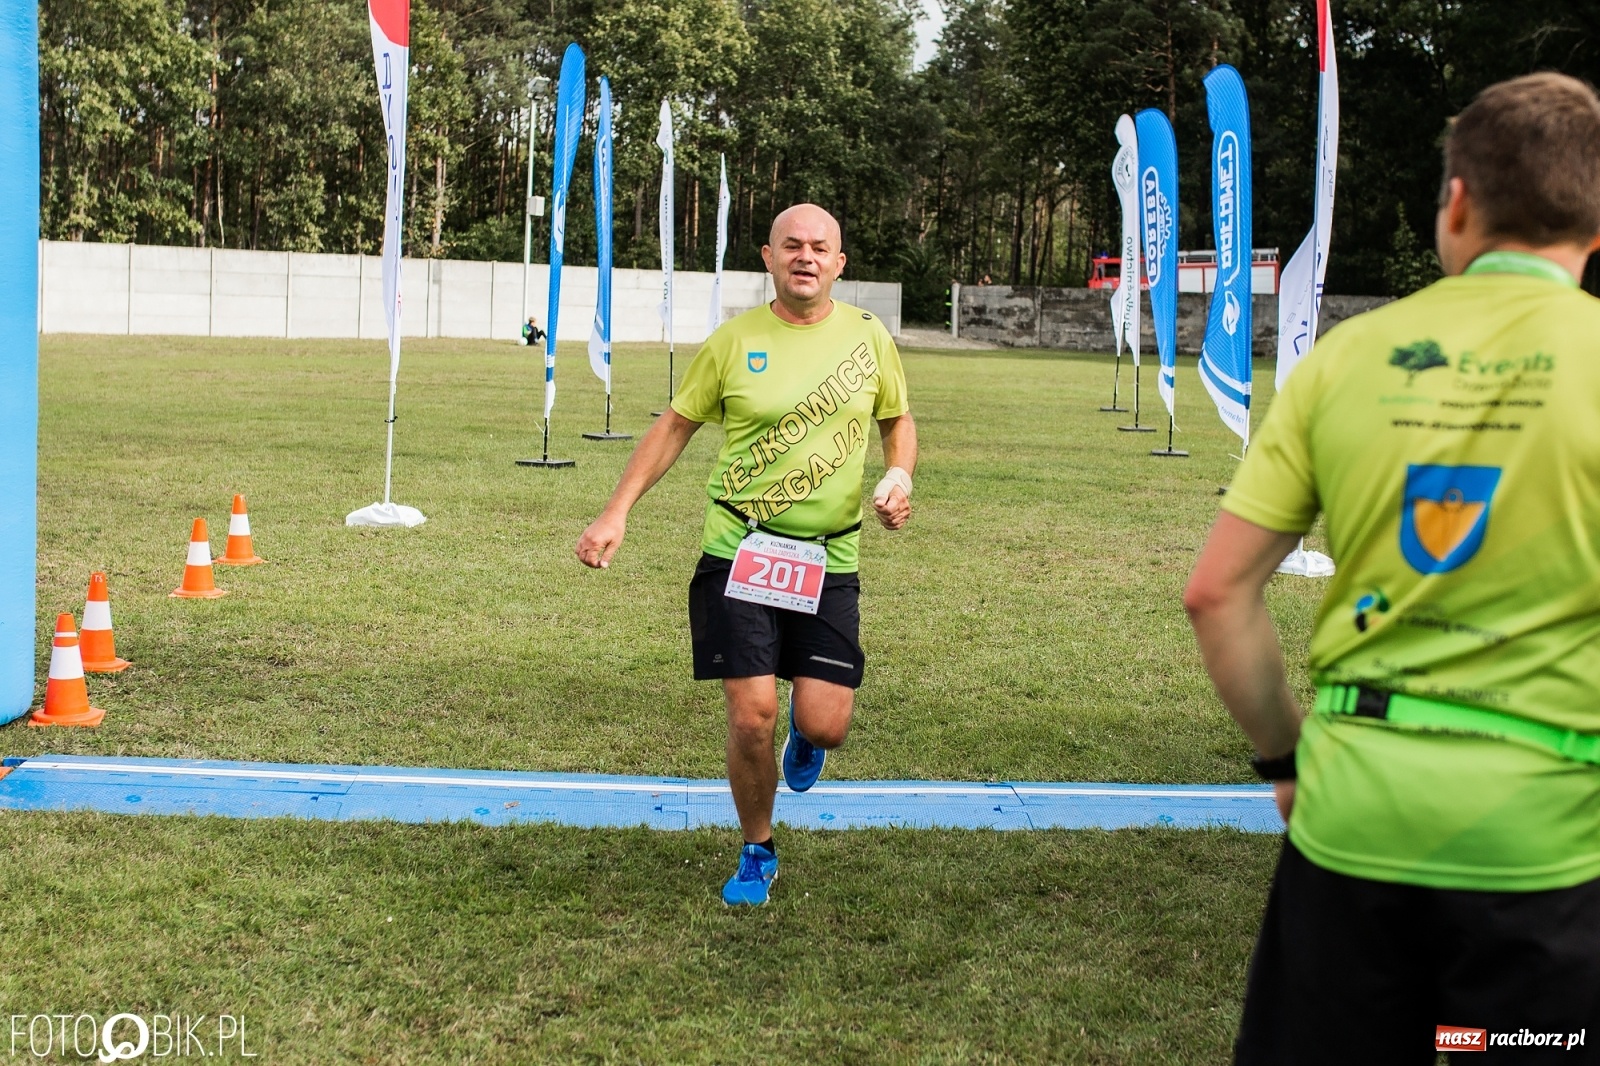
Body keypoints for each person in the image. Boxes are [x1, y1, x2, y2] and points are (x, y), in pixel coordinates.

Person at [1185, 73, 1600, 1063]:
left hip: (1352, 817)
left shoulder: (1346, 356)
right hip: (1541, 843)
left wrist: (1284, 759)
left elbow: (1215, 591)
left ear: (1456, 202)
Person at [575, 203, 917, 907]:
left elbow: (897, 420)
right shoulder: (734, 342)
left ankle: (808, 731)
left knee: (826, 723)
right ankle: (758, 847)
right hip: (739, 551)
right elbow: (674, 427)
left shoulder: (868, 337)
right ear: (767, 256)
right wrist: (617, 511)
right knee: (751, 711)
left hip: (829, 558)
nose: (806, 257)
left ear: (839, 263)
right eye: (792, 245)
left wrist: (898, 474)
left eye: (821, 247)